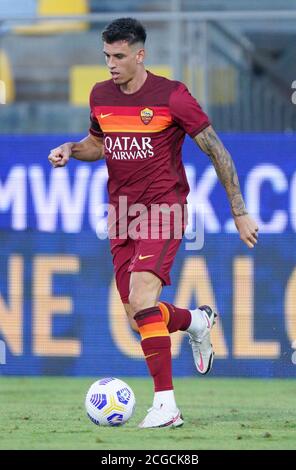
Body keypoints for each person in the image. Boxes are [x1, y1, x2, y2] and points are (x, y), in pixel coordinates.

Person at [48, 17, 259, 429]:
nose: (111, 64)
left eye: (120, 56)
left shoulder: (172, 96)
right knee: (138, 317)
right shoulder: (100, 95)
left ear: (140, 55)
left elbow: (217, 150)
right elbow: (98, 143)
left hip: (164, 210)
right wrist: (71, 149)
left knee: (144, 299)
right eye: (106, 55)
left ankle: (166, 405)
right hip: (122, 215)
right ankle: (197, 321)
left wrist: (238, 210)